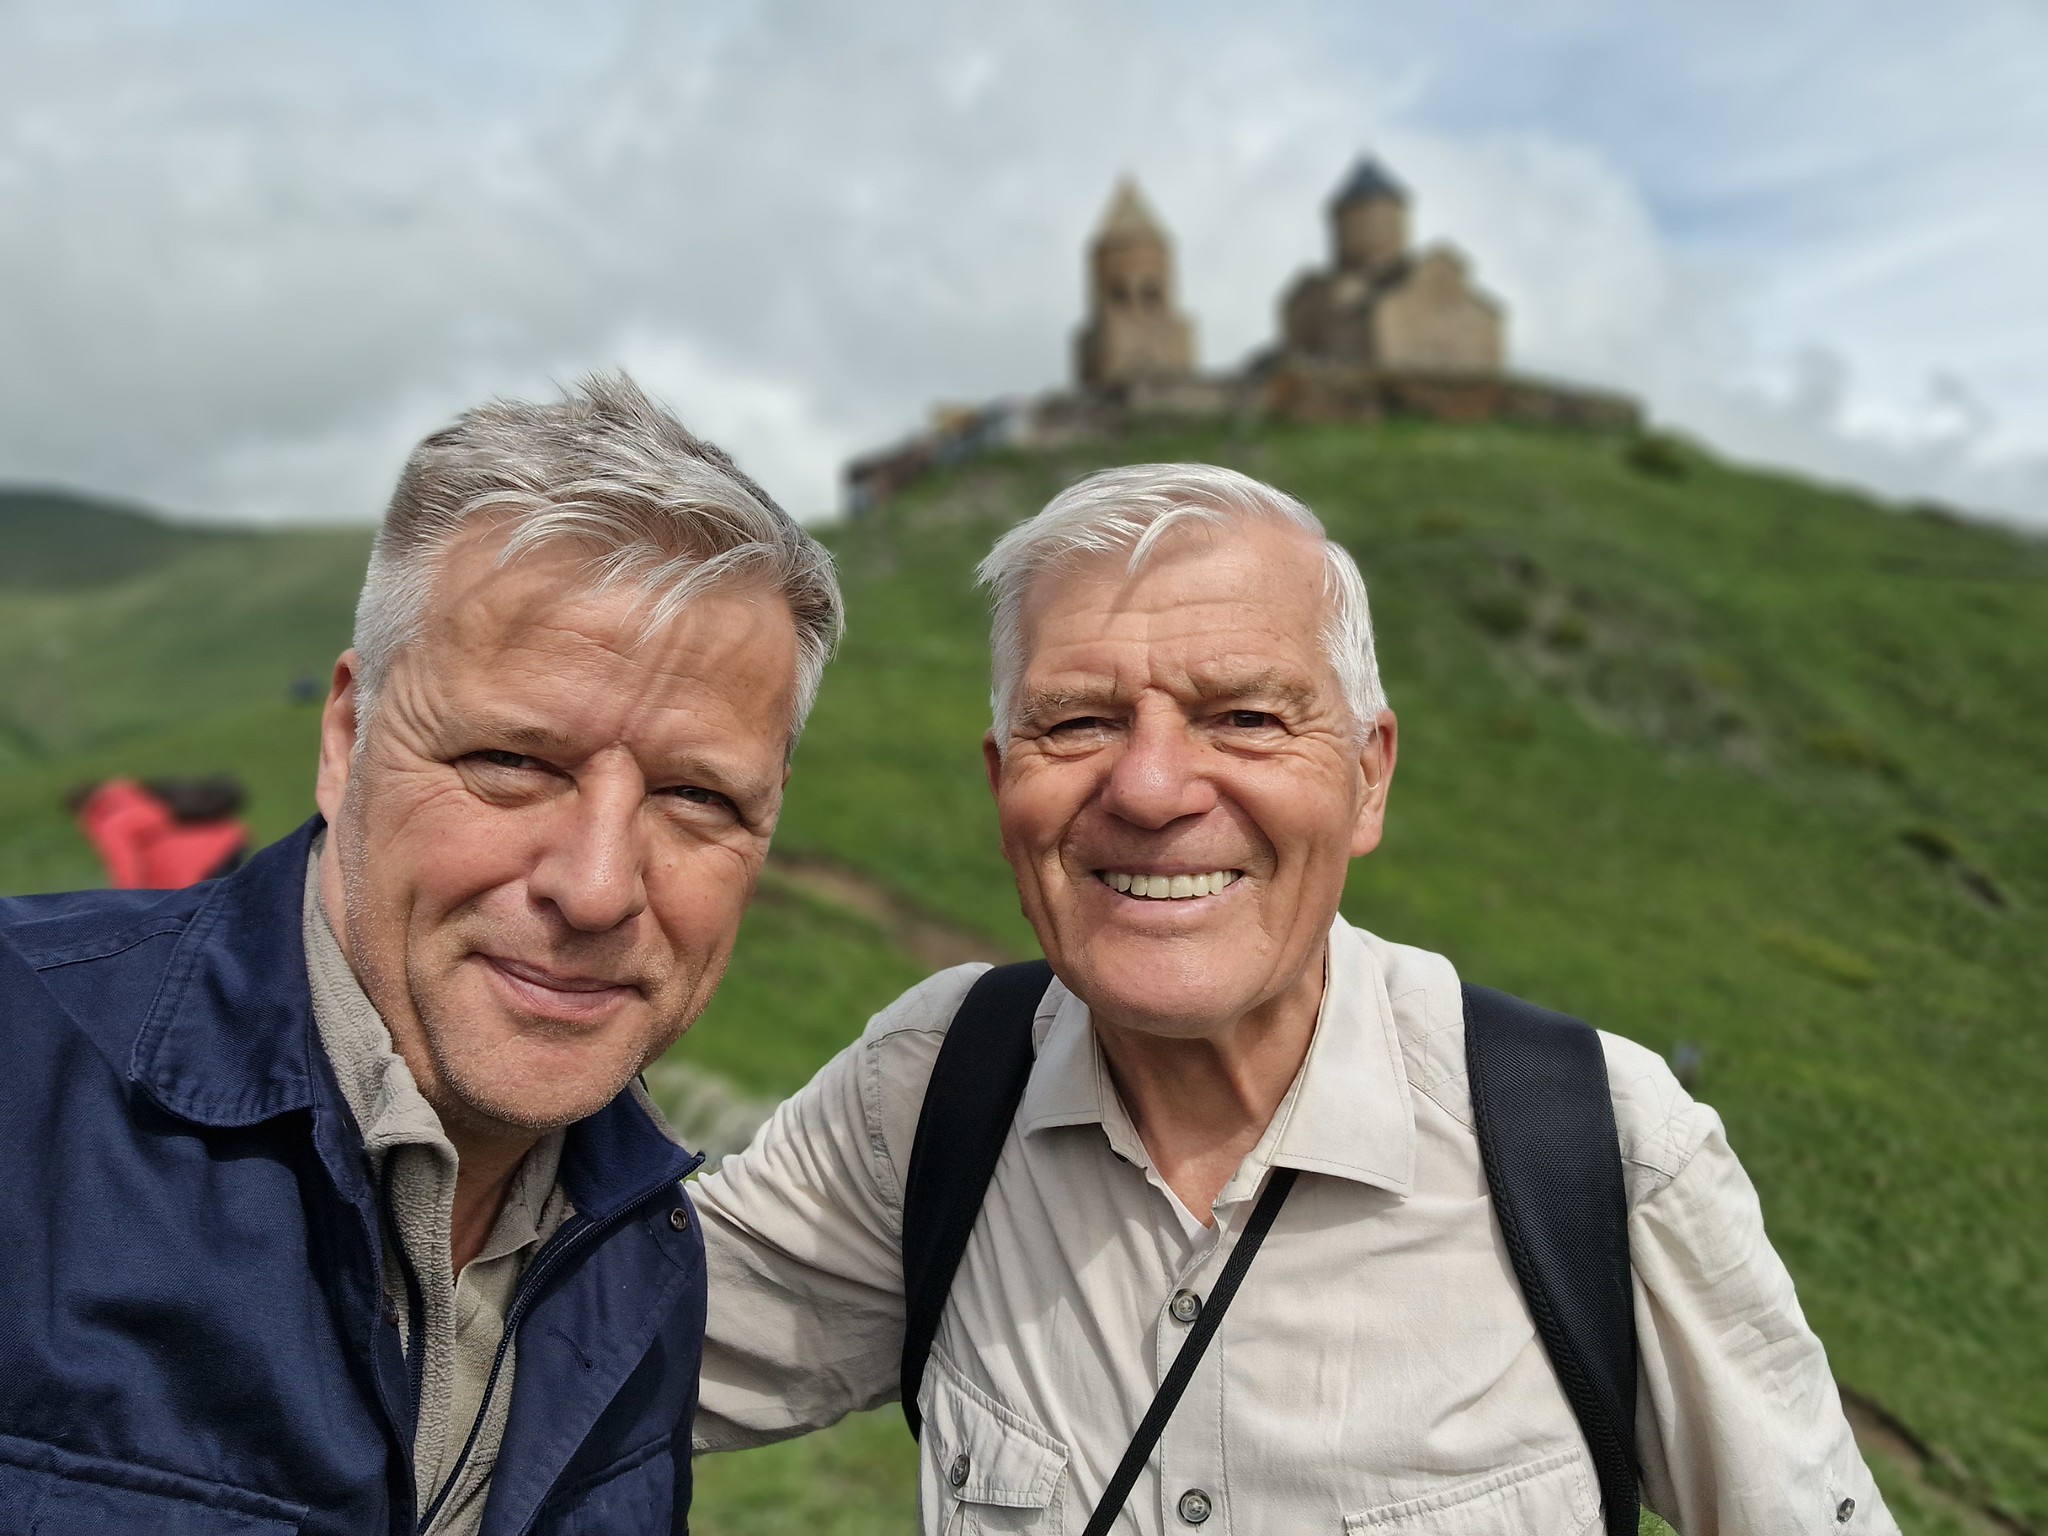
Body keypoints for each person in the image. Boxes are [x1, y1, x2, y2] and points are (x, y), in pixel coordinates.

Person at [690, 464, 1895, 1533]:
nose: (1152, 787)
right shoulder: (928, 1093)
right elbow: (578, 1343)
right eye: (1077, 722)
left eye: (1246, 717)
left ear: (1367, 778)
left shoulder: (1605, 1151)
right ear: (1004, 786)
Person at [0, 374, 841, 1536]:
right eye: (510, 761)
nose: (596, 886)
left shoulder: (640, 1248)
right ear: (347, 738)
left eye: (697, 796)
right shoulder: (18, 1069)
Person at [69, 773, 251, 887]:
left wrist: (124, 906)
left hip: (195, 869)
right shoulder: (140, 796)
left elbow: (126, 871)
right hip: (227, 842)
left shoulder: (112, 823)